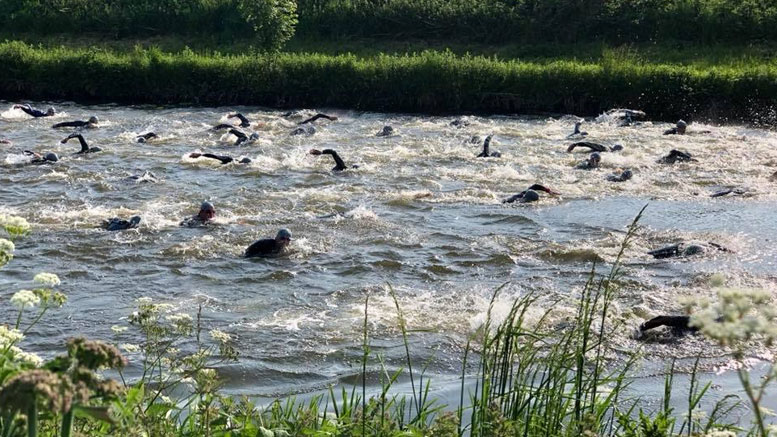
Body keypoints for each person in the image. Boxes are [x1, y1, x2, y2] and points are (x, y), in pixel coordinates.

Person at [648, 241, 730, 259]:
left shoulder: (709, 247)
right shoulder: (710, 251)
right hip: (690, 247)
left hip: (684, 244)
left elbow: (710, 242)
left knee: (651, 255)